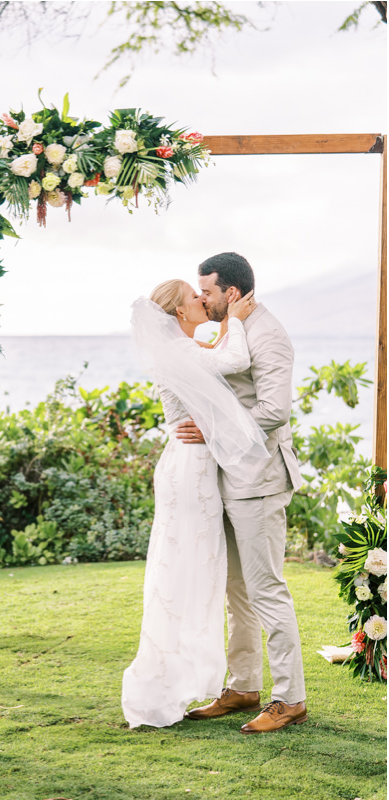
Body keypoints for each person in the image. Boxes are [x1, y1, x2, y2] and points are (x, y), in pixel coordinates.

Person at [121, 278, 261, 729]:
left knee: (192, 572)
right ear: (180, 313)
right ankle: (162, 684)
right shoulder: (180, 353)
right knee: (187, 574)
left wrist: (224, 330)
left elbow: (214, 359)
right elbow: (234, 359)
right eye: (194, 298)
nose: (203, 300)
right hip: (190, 470)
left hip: (189, 464)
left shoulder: (181, 349)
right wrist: (237, 320)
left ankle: (179, 680)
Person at [177, 252, 307, 734]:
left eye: (206, 291)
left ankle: (289, 698)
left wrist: (211, 432)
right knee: (236, 591)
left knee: (267, 589)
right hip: (227, 479)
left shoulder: (269, 334)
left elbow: (273, 410)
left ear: (230, 292)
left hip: (260, 481)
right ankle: (243, 685)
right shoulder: (230, 326)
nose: (201, 299)